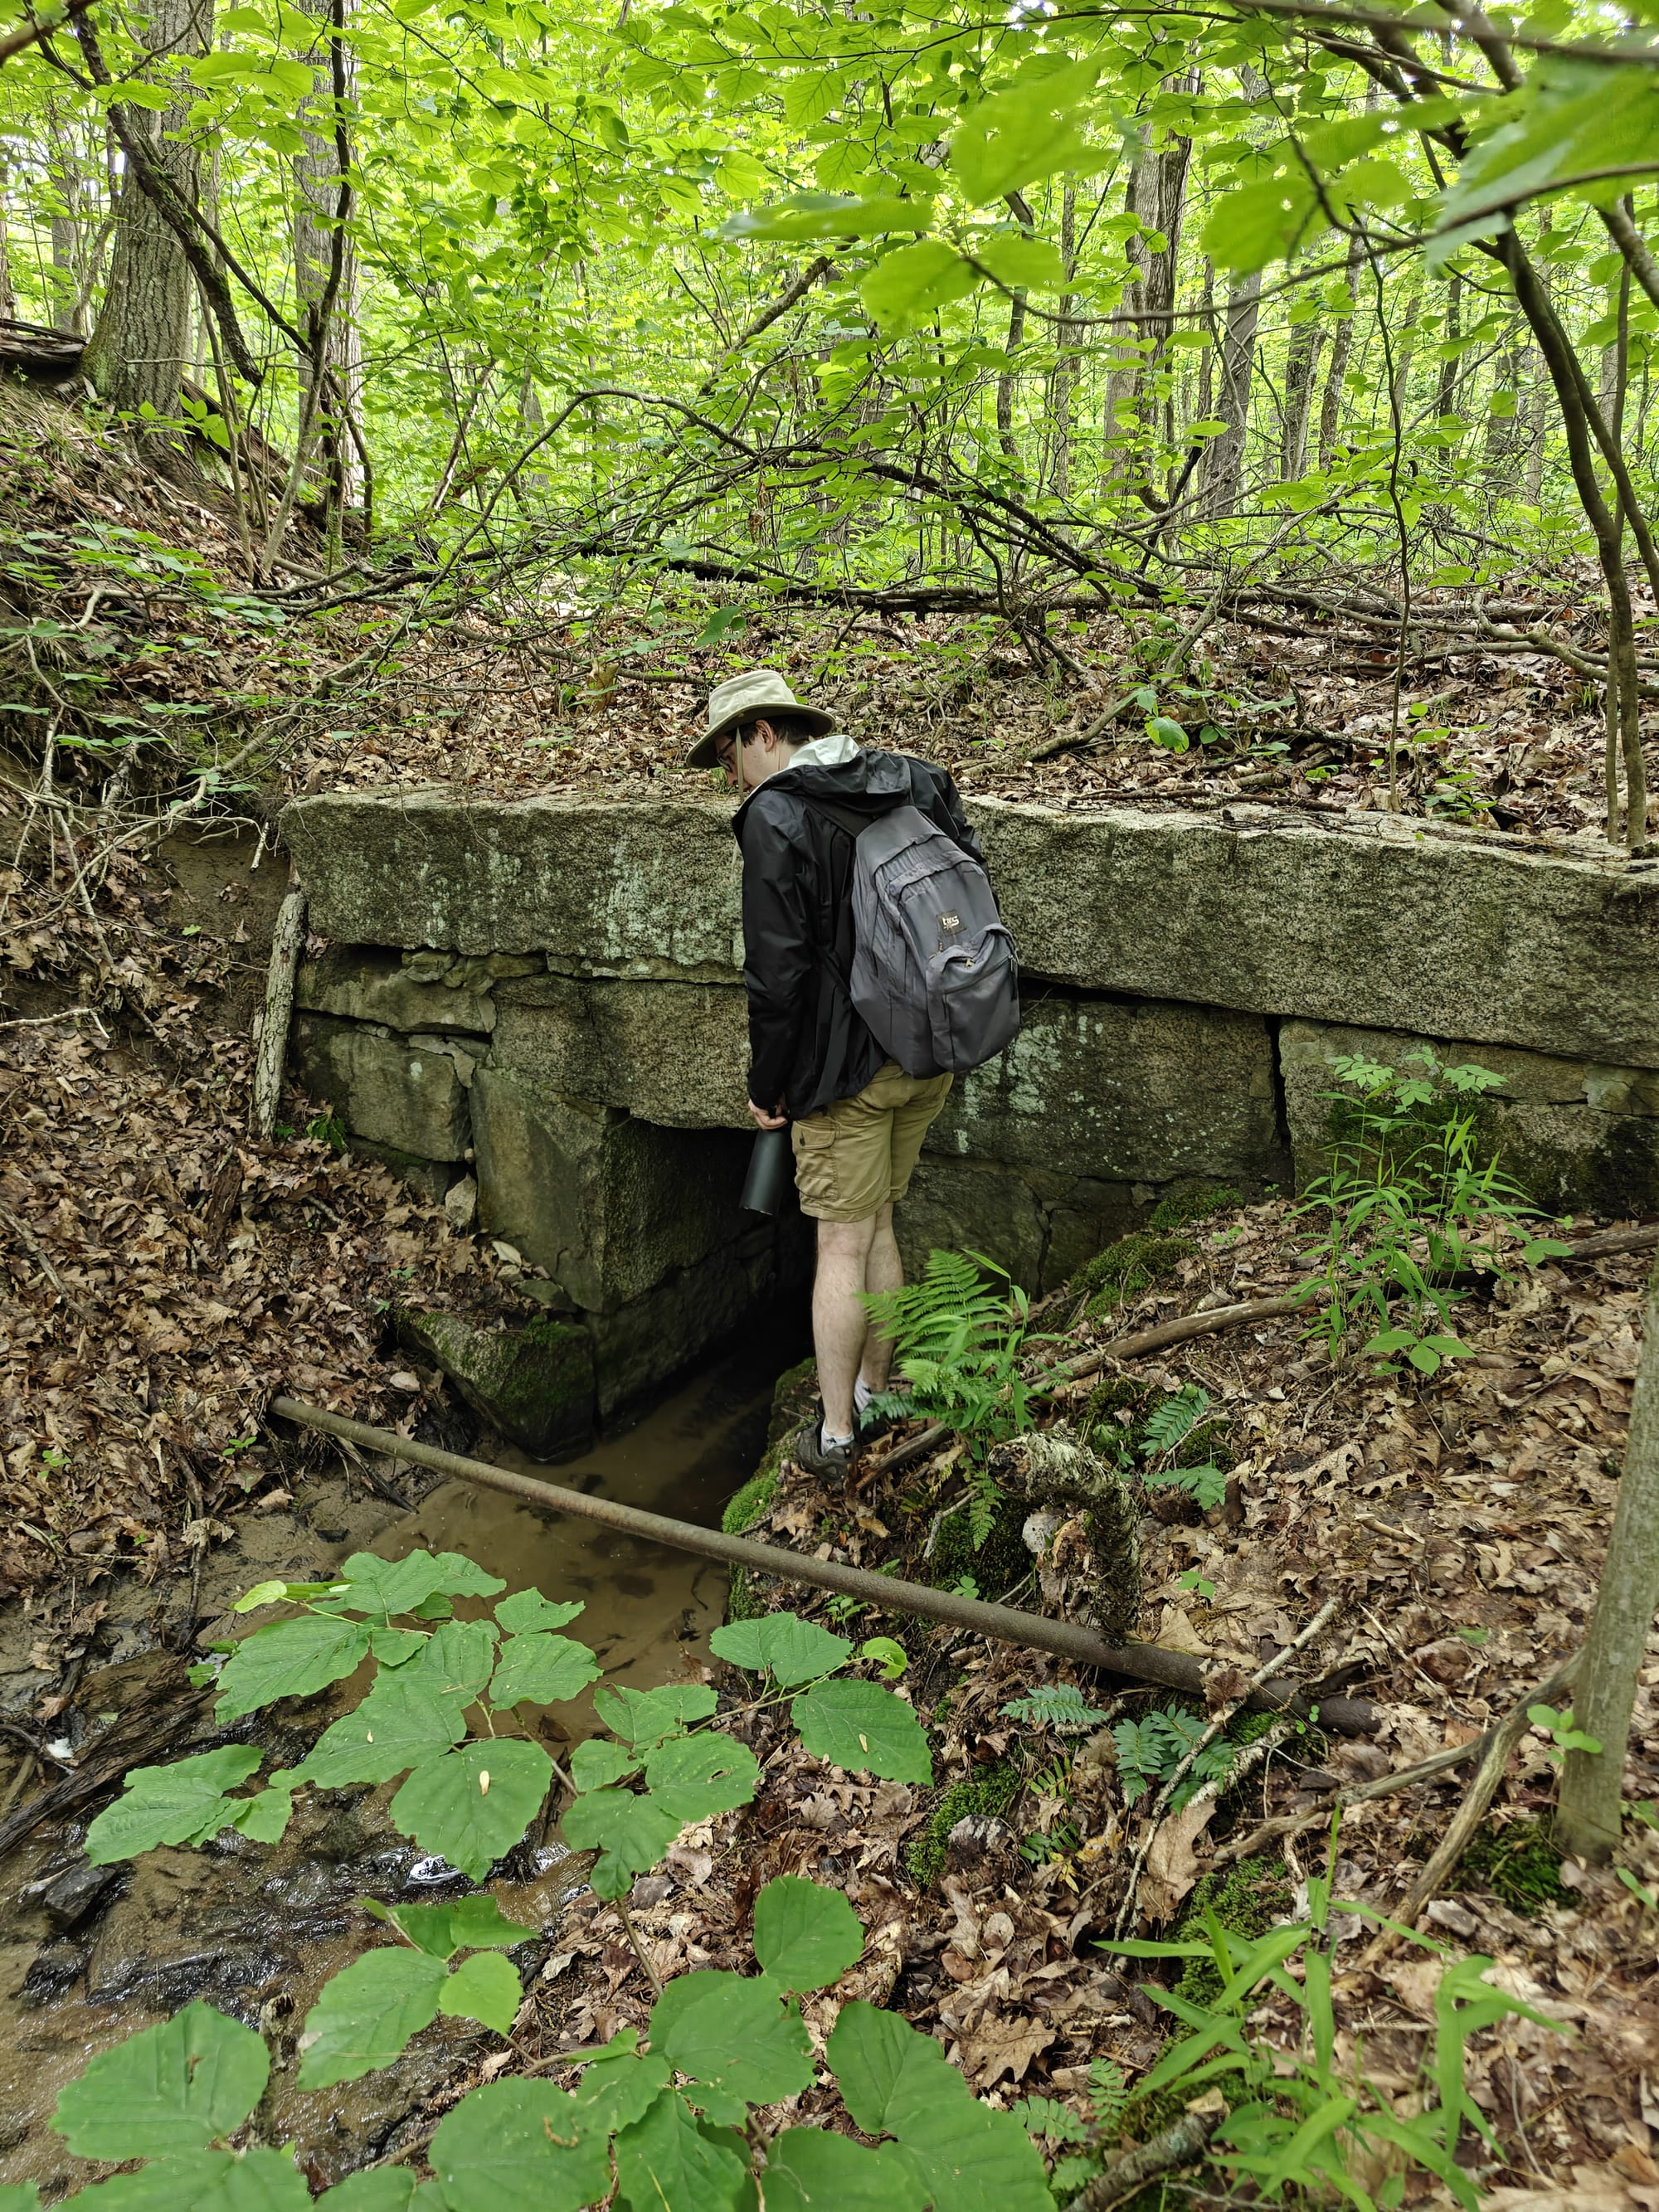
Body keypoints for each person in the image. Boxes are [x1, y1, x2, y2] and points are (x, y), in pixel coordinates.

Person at [684, 667, 987, 1479]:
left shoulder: (775, 815)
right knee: (881, 1222)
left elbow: (775, 978)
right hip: (929, 1048)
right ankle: (876, 1391)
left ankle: (836, 1435)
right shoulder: (912, 778)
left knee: (841, 1245)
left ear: (762, 733)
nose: (728, 777)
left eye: (726, 755)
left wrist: (765, 1084)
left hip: (843, 1072)